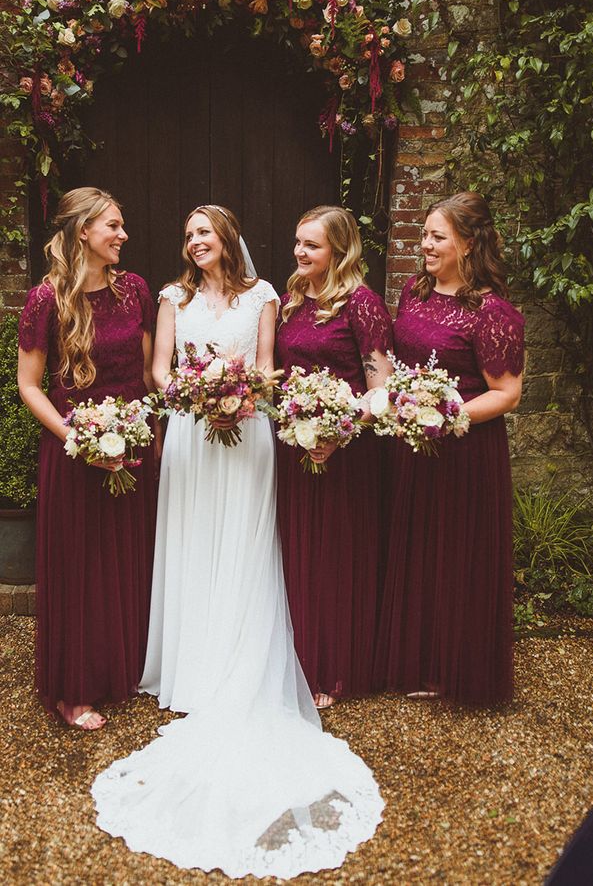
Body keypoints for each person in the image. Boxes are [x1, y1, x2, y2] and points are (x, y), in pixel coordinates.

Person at [91, 205, 384, 878]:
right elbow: (159, 372)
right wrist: (195, 392)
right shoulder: (170, 298)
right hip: (194, 432)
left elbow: (271, 368)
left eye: (204, 232)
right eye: (187, 233)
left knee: (248, 542)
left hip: (249, 430)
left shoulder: (266, 297)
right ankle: (190, 665)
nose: (195, 242)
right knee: (193, 538)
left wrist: (241, 392)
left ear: (227, 238)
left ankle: (240, 656)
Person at [374, 191, 525, 706]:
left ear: (467, 244)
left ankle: (455, 667)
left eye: (438, 236)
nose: (426, 245)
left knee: (456, 556)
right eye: (424, 235)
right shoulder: (414, 295)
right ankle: (417, 660)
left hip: (465, 454)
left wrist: (446, 413)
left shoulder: (492, 313)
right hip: (413, 450)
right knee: (416, 550)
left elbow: (507, 393)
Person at [17, 187, 156, 730]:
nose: (123, 236)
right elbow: (30, 386)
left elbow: (145, 376)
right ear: (83, 233)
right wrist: (80, 437)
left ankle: (122, 671)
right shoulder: (45, 299)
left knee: (127, 561)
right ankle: (72, 688)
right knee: (80, 569)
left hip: (133, 448)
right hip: (74, 452)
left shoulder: (135, 290)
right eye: (113, 227)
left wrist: (154, 435)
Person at [275, 206, 393, 709]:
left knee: (338, 556)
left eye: (312, 246)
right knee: (300, 553)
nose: (300, 252)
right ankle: (300, 662)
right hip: (295, 449)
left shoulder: (362, 304)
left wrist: (338, 431)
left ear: (338, 252)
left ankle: (337, 666)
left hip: (347, 454)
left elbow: (382, 389)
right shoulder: (292, 299)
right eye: (298, 242)